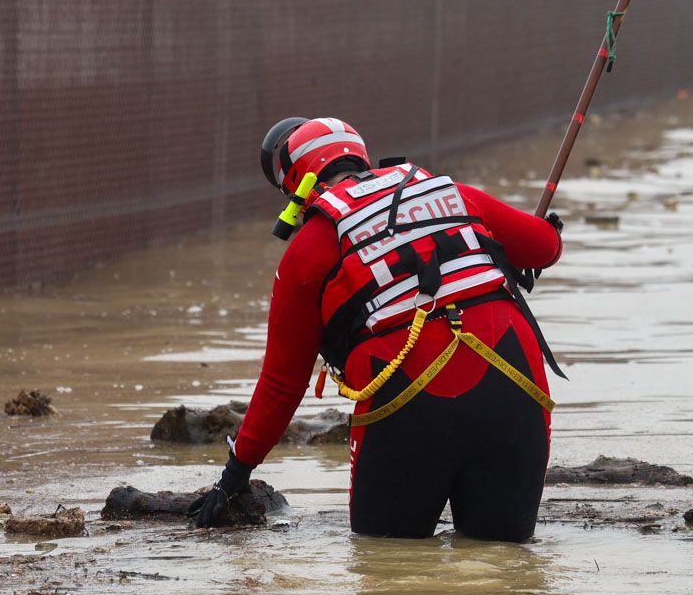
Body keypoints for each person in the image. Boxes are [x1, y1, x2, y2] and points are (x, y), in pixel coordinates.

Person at [194, 117, 564, 542]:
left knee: (387, 570)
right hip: (515, 387)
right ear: (362, 157)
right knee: (505, 569)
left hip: (404, 404)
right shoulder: (448, 190)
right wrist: (546, 233)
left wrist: (235, 474)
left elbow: (282, 383)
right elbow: (544, 248)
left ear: (297, 187)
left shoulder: (310, 246)